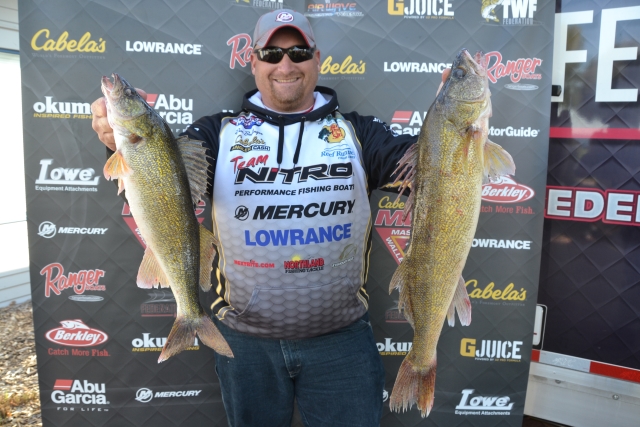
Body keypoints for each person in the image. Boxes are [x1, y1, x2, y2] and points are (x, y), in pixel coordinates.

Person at [92, 9, 448, 427]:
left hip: (342, 344)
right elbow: (162, 180)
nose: (285, 65)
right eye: (272, 53)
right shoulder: (216, 132)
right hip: (245, 346)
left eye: (298, 52)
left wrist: (453, 126)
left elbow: (434, 174)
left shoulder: (360, 132)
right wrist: (118, 141)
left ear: (317, 59)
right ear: (253, 61)